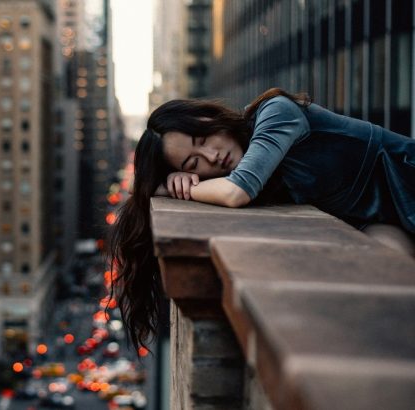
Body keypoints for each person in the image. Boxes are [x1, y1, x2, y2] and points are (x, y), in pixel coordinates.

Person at [107, 87, 415, 352]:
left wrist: (178, 188)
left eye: (203, 139)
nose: (212, 157)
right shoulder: (261, 174)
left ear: (210, 116)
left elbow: (237, 192)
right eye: (194, 163)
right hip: (382, 219)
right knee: (386, 279)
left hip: (408, 184)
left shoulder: (276, 112)